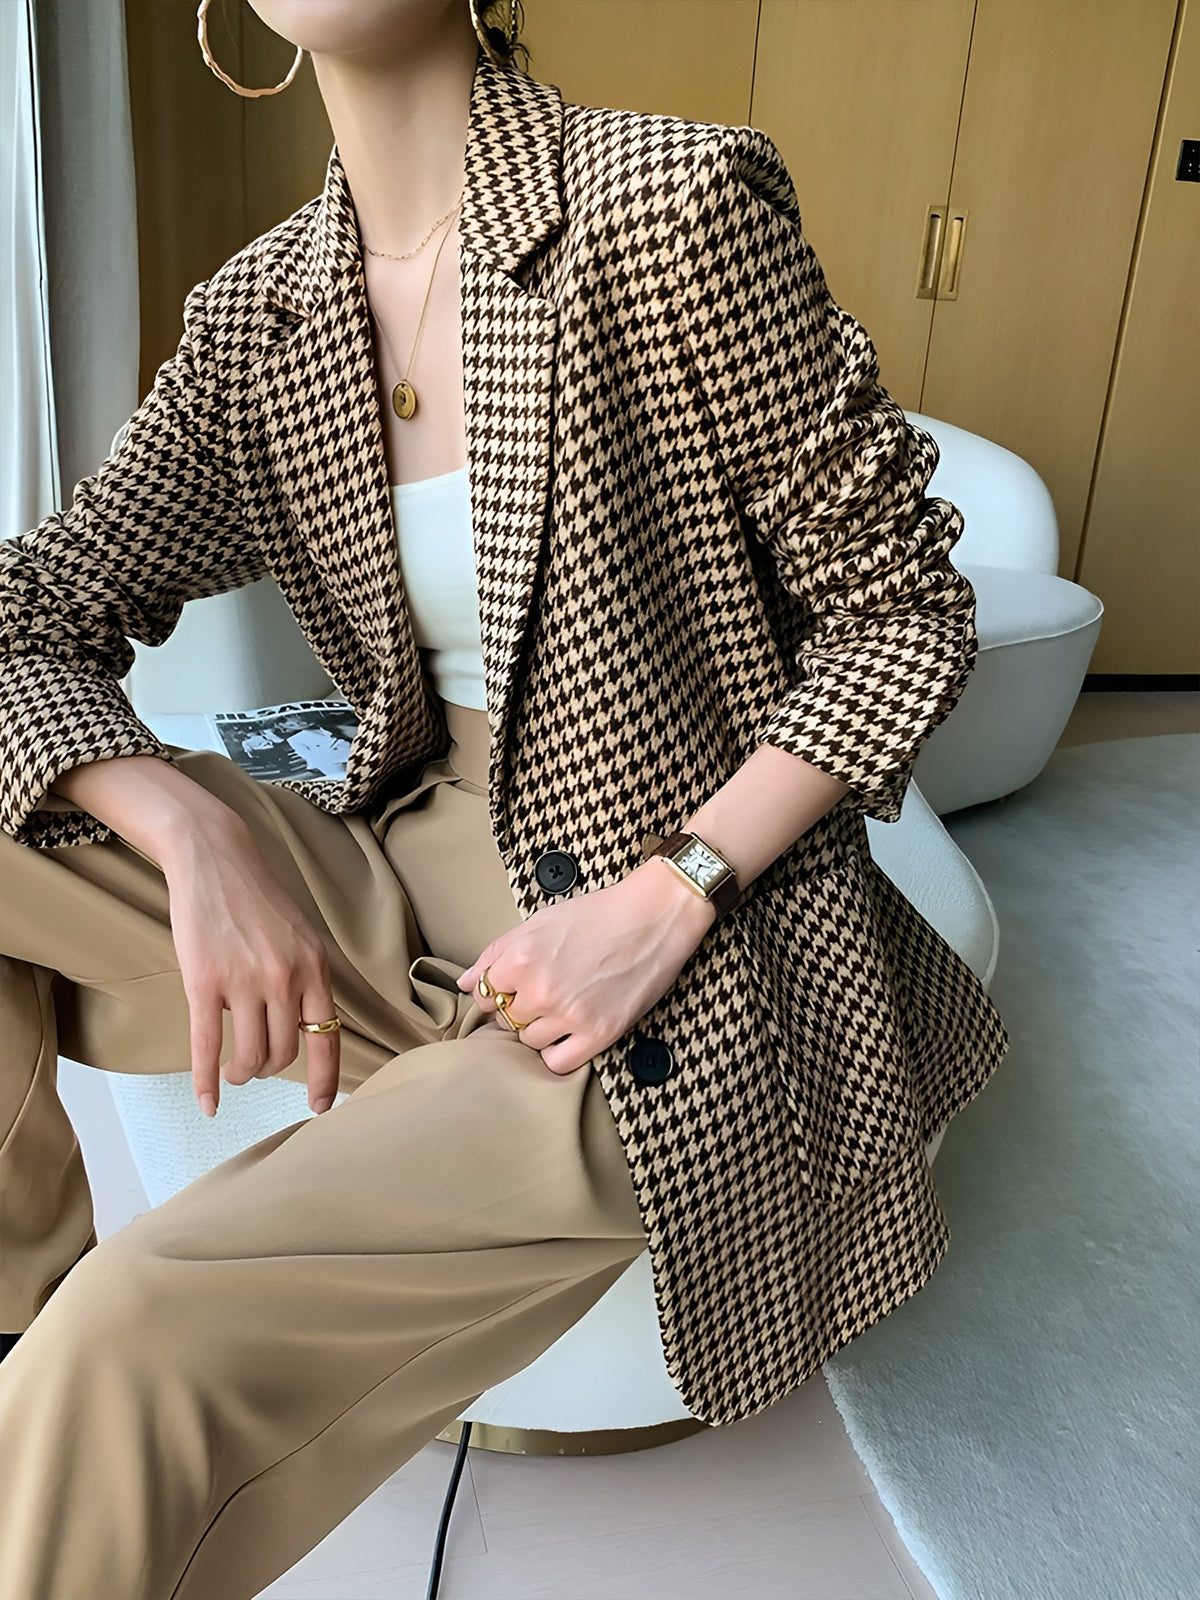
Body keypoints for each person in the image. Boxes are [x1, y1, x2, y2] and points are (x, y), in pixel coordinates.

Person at [0, 2, 1011, 1595]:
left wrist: (670, 894)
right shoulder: (259, 317)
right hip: (399, 875)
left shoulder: (669, 208)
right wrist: (191, 835)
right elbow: (24, 606)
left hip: (681, 937)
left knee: (136, 1332)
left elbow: (904, 615)